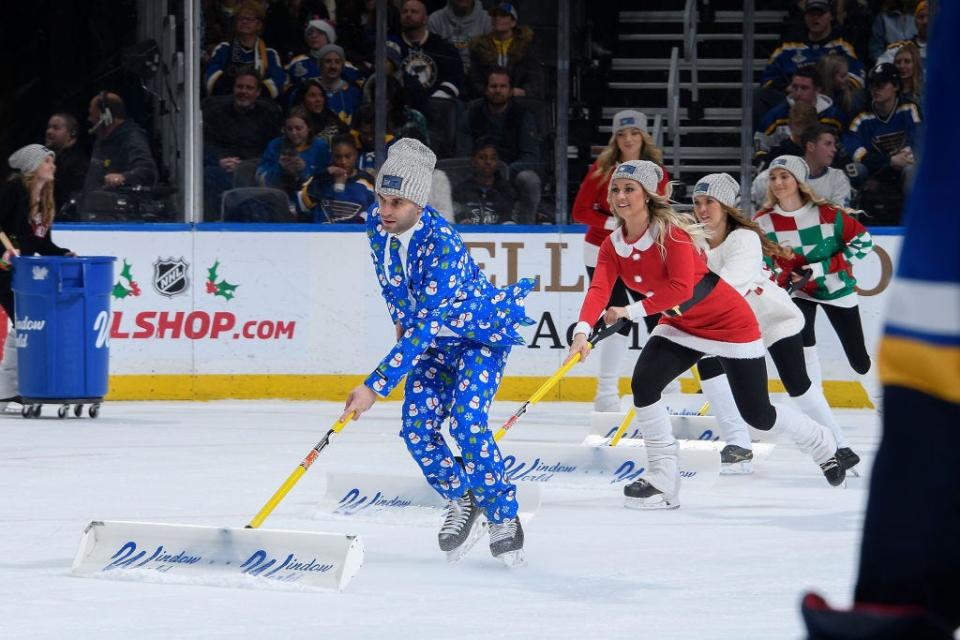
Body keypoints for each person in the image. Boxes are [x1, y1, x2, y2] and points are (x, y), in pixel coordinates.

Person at [802, 1, 959, 633]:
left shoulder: (830, 210)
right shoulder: (775, 215)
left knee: (869, 367)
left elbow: (857, 239)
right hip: (886, 309)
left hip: (881, 304)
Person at [567, 160, 844, 511]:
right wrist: (581, 331)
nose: (620, 196)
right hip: (681, 326)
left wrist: (630, 312)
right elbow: (599, 289)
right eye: (616, 190)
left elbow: (681, 289)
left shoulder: (673, 234)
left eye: (629, 189)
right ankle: (663, 479)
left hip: (730, 324)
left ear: (648, 196)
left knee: (758, 416)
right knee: (645, 384)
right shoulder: (612, 244)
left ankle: (820, 441)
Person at [339, 138, 535, 565]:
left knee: (467, 422)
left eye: (397, 201)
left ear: (420, 203)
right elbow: (389, 280)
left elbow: (428, 326)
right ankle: (463, 498)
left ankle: (503, 515)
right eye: (381, 198)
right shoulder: (378, 223)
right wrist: (398, 319)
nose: (386, 210)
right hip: (429, 340)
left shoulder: (440, 244)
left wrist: (375, 385)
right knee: (417, 429)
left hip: (476, 339)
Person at [693, 173, 860, 475]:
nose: (702, 209)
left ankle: (840, 445)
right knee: (707, 362)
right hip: (733, 324)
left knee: (797, 384)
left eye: (710, 202)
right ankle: (738, 445)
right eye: (697, 202)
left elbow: (729, 289)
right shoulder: (694, 240)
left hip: (771, 317)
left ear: (727, 206)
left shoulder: (742, 238)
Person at [754, 155, 876, 412]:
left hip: (837, 290)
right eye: (773, 177)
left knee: (859, 361)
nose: (777, 182)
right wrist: (783, 278)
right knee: (804, 349)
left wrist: (820, 268)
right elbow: (762, 262)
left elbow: (864, 243)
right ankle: (816, 410)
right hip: (799, 294)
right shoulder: (763, 221)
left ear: (799, 180)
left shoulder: (828, 214)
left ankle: (887, 405)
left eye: (784, 176)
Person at [571, 109, 670, 412]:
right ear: (615, 138)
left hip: (644, 253)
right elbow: (579, 212)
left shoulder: (657, 172)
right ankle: (606, 393)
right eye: (622, 134)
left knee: (659, 316)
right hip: (602, 251)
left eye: (634, 133)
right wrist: (614, 225)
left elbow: (661, 211)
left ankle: (668, 381)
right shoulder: (602, 170)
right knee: (615, 318)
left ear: (644, 136)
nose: (628, 139)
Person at [0, 145, 74, 405]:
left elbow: (42, 243)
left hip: (26, 273)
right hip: (5, 269)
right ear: (33, 166)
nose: (52, 166)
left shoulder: (45, 200)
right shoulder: (14, 189)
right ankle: (7, 388)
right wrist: (7, 250)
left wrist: (62, 253)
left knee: (24, 322)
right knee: (23, 321)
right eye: (47, 161)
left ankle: (7, 389)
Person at [757, 0, 864, 127]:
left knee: (856, 98)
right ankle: (761, 142)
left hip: (830, 100)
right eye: (811, 14)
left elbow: (857, 77)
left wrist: (834, 85)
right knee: (759, 95)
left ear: (831, 16)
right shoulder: (788, 47)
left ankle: (846, 140)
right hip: (793, 98)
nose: (815, 18)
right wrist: (788, 88)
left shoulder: (842, 46)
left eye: (821, 14)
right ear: (805, 16)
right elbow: (768, 79)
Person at [844, 62, 921, 224]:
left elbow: (918, 139)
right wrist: (889, 161)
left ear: (895, 86)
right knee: (855, 170)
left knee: (912, 170)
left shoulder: (909, 109)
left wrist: (903, 157)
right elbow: (854, 150)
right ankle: (851, 222)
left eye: (881, 84)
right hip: (875, 170)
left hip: (904, 166)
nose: (875, 89)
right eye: (872, 85)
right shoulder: (862, 116)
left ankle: (912, 224)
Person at [461, 68, 541, 224]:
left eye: (503, 86)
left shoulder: (523, 115)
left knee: (530, 179)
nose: (498, 90)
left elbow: (531, 157)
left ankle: (527, 228)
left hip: (512, 173)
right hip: (477, 172)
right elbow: (463, 152)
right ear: (486, 90)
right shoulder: (472, 113)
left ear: (511, 91)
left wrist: (503, 170)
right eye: (493, 86)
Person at [202, 70, 282, 217]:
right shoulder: (215, 111)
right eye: (240, 86)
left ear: (258, 92)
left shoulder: (268, 114)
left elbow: (273, 147)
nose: (243, 91)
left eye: (249, 88)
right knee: (208, 175)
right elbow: (205, 144)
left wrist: (246, 165)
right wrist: (219, 161)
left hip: (253, 169)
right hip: (222, 169)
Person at [753, 124, 852, 209]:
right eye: (828, 144)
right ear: (811, 147)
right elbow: (746, 200)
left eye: (834, 145)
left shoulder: (838, 178)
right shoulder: (779, 172)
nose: (834, 149)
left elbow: (841, 217)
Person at [755, 67, 847, 156]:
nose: (798, 93)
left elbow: (844, 147)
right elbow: (761, 145)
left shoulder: (834, 116)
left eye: (804, 88)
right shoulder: (777, 115)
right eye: (795, 87)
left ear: (817, 90)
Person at [204, 1, 286, 99]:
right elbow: (211, 77)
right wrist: (239, 91)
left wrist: (251, 94)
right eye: (241, 18)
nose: (244, 22)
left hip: (259, 105)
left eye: (250, 19)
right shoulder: (223, 49)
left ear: (259, 25)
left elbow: (278, 82)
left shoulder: (270, 54)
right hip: (226, 102)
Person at [82, 92, 158, 195]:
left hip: (116, 208)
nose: (90, 119)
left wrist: (123, 177)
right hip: (94, 206)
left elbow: (147, 171)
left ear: (106, 116)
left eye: (92, 115)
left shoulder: (132, 138)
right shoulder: (102, 140)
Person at [391, 0, 465, 100]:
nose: (408, 15)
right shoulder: (392, 45)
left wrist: (437, 98)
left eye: (414, 12)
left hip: (436, 106)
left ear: (425, 19)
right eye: (404, 11)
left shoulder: (442, 46)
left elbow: (455, 76)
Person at [468, 2, 543, 99]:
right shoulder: (479, 47)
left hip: (519, 99)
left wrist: (524, 91)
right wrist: (487, 91)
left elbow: (535, 77)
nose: (497, 18)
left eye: (503, 15)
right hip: (488, 99)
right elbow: (475, 78)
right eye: (494, 15)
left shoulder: (527, 46)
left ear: (513, 22)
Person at [256, 106, 331, 202]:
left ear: (309, 128)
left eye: (298, 128)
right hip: (278, 198)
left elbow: (325, 181)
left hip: (309, 200)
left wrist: (305, 170)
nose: (294, 133)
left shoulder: (321, 147)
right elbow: (260, 178)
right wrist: (279, 168)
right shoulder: (275, 145)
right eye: (289, 129)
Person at [297, 134, 375, 223]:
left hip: (354, 234)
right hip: (322, 233)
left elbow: (376, 212)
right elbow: (303, 206)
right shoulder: (321, 178)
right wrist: (324, 175)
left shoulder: (366, 180)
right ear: (331, 155)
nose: (343, 161)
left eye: (348, 156)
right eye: (338, 157)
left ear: (356, 154)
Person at [452, 140, 517, 224]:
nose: (488, 162)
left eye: (493, 158)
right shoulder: (460, 191)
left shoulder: (507, 191)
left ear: (497, 162)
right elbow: (454, 218)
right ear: (473, 161)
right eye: (482, 158)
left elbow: (510, 222)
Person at [428, 0, 491, 75]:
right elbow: (434, 58)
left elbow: (490, 59)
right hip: (446, 73)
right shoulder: (435, 20)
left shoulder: (488, 19)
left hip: (480, 75)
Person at [43, 113, 88, 214]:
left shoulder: (78, 163)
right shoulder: (49, 157)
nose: (49, 131)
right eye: (49, 127)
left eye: (56, 128)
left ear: (72, 133)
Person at [309, 44, 364, 124]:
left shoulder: (354, 93)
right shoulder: (307, 90)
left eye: (337, 62)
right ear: (320, 65)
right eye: (328, 61)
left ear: (342, 65)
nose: (333, 66)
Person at [296, 78, 351, 146]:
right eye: (312, 95)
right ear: (302, 100)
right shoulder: (295, 123)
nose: (318, 99)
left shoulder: (331, 116)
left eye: (321, 95)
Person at [878, 0, 929, 65]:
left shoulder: (944, 49)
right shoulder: (899, 48)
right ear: (915, 21)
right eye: (921, 17)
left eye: (930, 17)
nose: (925, 21)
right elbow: (880, 67)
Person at [893, 41, 923, 105]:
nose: (902, 66)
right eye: (898, 62)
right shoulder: (890, 92)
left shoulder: (925, 92)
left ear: (915, 64)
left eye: (907, 61)